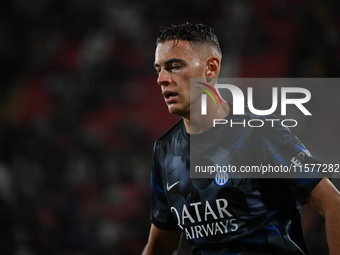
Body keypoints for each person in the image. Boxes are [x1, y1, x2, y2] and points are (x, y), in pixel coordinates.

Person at [142, 22, 340, 255]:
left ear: (211, 68)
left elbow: (333, 204)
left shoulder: (260, 131)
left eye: (174, 66)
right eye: (158, 69)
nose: (161, 79)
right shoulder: (164, 151)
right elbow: (161, 244)